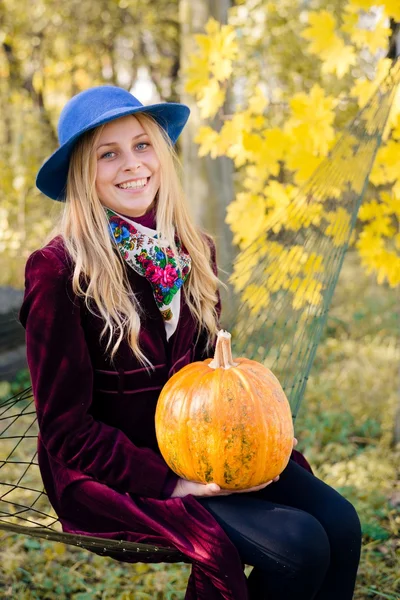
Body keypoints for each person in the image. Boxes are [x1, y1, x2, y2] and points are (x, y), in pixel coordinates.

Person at [20, 85, 362, 600]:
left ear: (161, 152)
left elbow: (205, 375)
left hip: (198, 448)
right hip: (113, 472)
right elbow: (66, 430)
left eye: (141, 145)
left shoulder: (191, 250)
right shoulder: (59, 272)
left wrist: (254, 431)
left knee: (341, 521)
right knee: (301, 544)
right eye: (107, 154)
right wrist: (169, 481)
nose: (131, 164)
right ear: (81, 175)